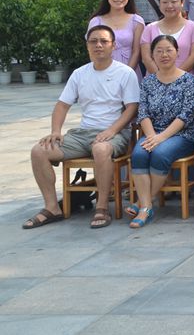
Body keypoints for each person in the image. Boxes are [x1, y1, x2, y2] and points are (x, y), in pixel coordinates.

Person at [23, 25, 139, 230]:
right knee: (39, 151)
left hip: (115, 133)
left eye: (104, 41)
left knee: (100, 149)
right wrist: (56, 131)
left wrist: (112, 130)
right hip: (82, 133)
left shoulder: (125, 73)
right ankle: (52, 208)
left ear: (113, 45)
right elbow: (62, 105)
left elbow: (132, 108)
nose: (98, 45)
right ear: (87, 46)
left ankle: (102, 206)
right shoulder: (79, 73)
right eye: (93, 41)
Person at [128, 35, 194, 228]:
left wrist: (161, 138)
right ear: (152, 55)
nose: (164, 55)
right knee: (139, 154)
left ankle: (143, 205)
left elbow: (186, 115)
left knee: (160, 154)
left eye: (168, 50)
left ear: (177, 52)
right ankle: (146, 205)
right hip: (153, 133)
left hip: (182, 135)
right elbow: (143, 113)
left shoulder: (189, 80)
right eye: (159, 51)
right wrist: (152, 136)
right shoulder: (148, 82)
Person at [140, 0, 194, 75]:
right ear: (159, 3)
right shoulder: (150, 28)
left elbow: (193, 57)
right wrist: (161, 78)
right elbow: (146, 58)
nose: (169, 6)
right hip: (155, 80)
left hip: (185, 79)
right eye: (164, 2)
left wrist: (174, 78)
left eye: (174, 2)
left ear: (182, 2)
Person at [88, 0, 144, 74]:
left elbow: (136, 51)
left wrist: (126, 74)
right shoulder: (96, 21)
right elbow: (92, 49)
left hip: (130, 71)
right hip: (102, 72)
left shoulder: (137, 21)